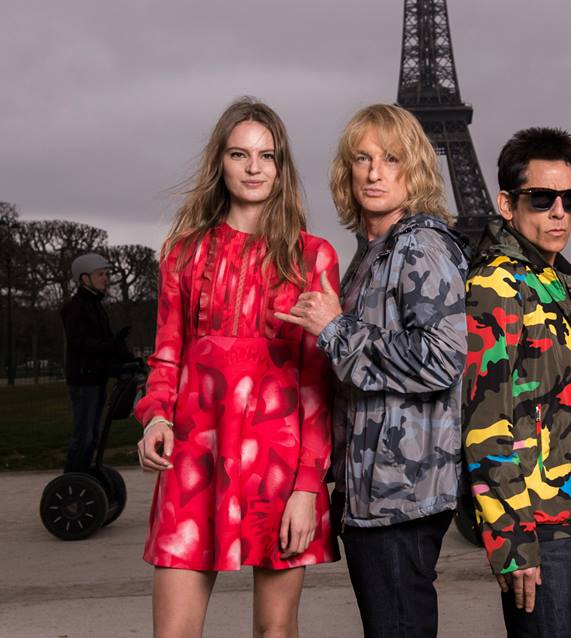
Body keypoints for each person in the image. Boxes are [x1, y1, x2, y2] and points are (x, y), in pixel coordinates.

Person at [135, 97, 338, 638]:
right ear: (219, 162)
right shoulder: (182, 253)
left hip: (280, 465)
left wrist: (308, 487)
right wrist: (156, 418)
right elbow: (167, 355)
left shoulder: (313, 256)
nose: (254, 168)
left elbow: (317, 386)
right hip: (194, 458)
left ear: (281, 166)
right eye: (239, 154)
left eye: (267, 156)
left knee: (276, 632)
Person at [275, 103, 469, 638]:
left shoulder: (420, 245)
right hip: (376, 488)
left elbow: (442, 359)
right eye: (362, 158)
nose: (375, 172)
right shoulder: (373, 253)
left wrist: (336, 329)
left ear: (416, 168)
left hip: (401, 494)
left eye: (391, 158)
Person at [462, 127, 571, 638]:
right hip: (536, 526)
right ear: (507, 204)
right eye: (541, 198)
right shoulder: (496, 284)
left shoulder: (556, 282)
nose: (559, 212)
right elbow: (483, 425)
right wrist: (512, 541)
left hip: (570, 516)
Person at [61, 253, 131, 472]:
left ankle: (83, 477)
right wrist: (111, 345)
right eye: (100, 274)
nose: (105, 279)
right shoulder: (75, 308)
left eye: (106, 274)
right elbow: (81, 343)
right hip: (83, 380)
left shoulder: (96, 306)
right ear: (85, 278)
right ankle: (71, 480)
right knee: (84, 436)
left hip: (95, 378)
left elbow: (106, 342)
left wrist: (126, 359)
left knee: (92, 436)